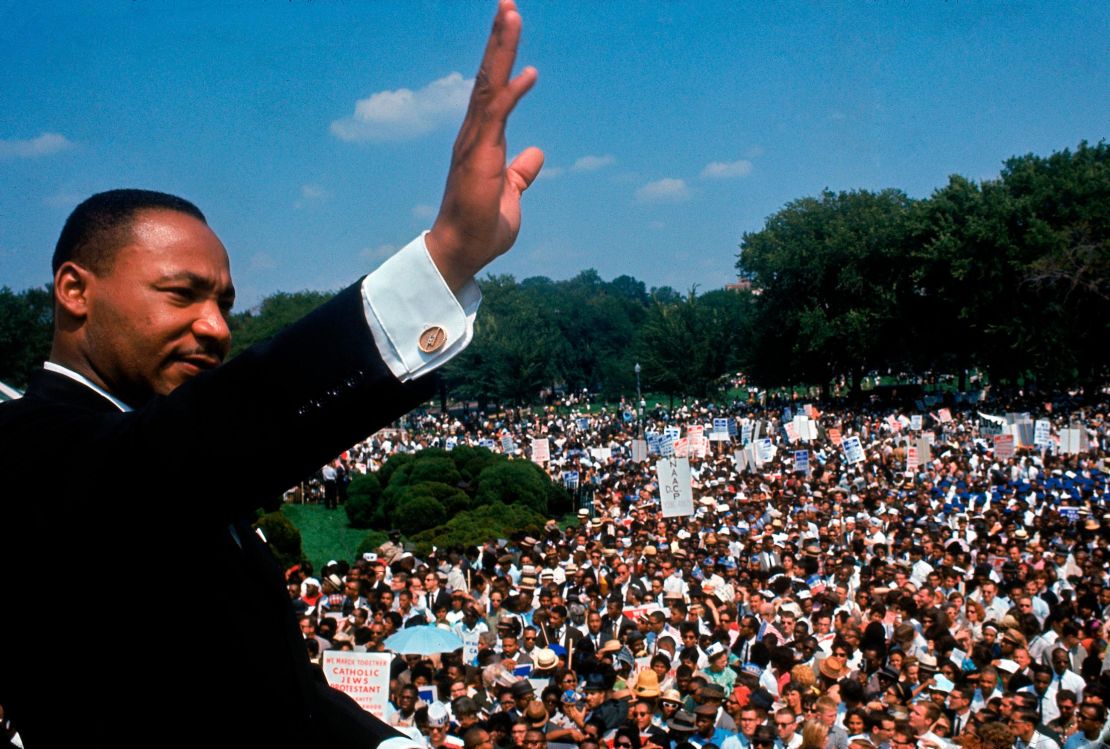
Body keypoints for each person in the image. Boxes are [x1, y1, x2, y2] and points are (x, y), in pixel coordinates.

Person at [0, 1, 543, 746]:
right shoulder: (31, 451)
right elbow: (201, 440)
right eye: (181, 294)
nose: (217, 327)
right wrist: (446, 257)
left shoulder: (167, 469)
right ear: (74, 290)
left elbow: (274, 691)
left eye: (225, 302)